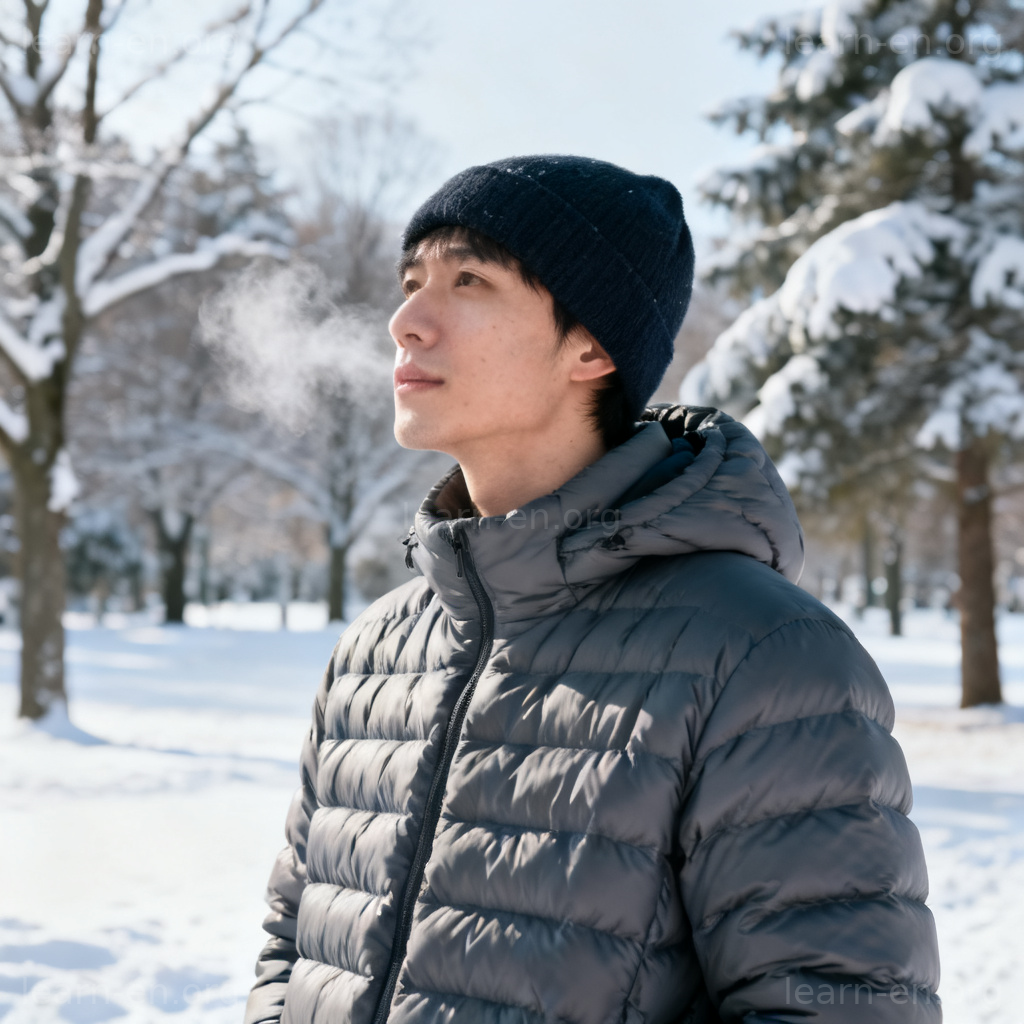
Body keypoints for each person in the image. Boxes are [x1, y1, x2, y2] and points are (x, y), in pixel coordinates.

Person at [245, 155, 942, 1024]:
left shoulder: (762, 657)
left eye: (468, 279)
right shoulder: (378, 652)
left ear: (592, 346)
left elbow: (842, 1007)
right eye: (410, 281)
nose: (406, 321)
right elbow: (292, 948)